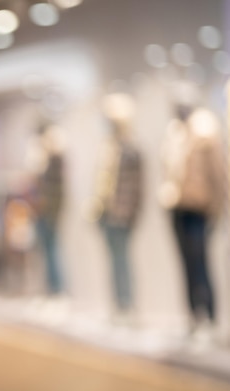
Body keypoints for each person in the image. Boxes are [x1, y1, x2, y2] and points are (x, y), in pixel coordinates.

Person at [159, 106, 225, 339]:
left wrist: (217, 208)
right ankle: (193, 317)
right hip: (177, 207)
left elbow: (218, 174)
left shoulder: (205, 135)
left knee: (200, 263)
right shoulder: (174, 136)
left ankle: (209, 316)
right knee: (185, 264)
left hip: (198, 209)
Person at [93, 94, 143, 319]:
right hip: (107, 212)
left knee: (122, 261)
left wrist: (131, 214)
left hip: (122, 214)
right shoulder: (109, 148)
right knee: (114, 262)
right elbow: (103, 182)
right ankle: (119, 305)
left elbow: (137, 187)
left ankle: (127, 305)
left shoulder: (130, 149)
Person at [26, 123, 66, 296]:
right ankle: (51, 290)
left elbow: (54, 192)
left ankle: (57, 290)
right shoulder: (46, 160)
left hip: (49, 213)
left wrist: (52, 212)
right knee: (45, 251)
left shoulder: (55, 160)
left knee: (52, 251)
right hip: (42, 212)